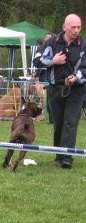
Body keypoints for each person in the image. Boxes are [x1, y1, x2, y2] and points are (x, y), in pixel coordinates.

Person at [36, 14, 85, 169]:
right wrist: (53, 61)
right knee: (59, 122)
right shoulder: (52, 42)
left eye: (79, 27)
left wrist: (76, 77)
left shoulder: (83, 45)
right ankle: (58, 154)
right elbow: (36, 60)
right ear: (65, 27)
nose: (76, 30)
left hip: (76, 90)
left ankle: (67, 158)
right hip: (55, 88)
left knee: (70, 122)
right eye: (73, 27)